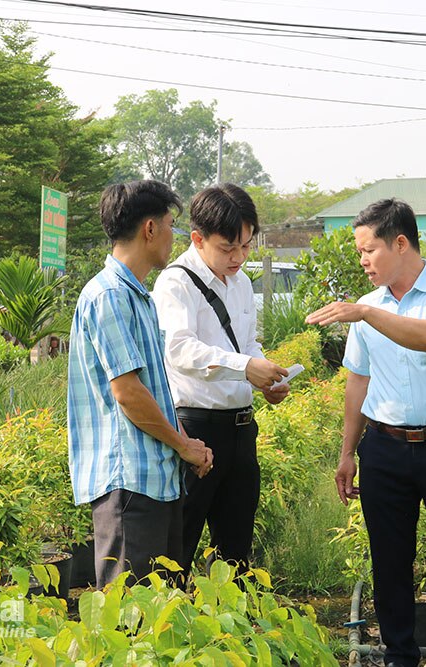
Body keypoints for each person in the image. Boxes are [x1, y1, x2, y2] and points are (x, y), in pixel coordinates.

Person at [306, 198, 426, 667]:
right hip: (384, 450)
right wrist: (348, 453)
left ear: (401, 243)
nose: (363, 261)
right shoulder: (366, 308)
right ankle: (399, 657)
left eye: (369, 250)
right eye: (360, 253)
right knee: (390, 563)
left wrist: (367, 316)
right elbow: (358, 381)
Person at [67, 179, 214, 588]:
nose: (174, 236)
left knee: (161, 620)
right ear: (150, 229)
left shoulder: (137, 297)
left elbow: (154, 390)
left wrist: (186, 443)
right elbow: (128, 394)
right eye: (171, 225)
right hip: (129, 484)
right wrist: (183, 445)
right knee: (131, 628)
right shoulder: (109, 296)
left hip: (154, 479)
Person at [152, 183, 290, 579]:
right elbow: (179, 349)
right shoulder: (176, 282)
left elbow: (247, 342)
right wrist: (245, 366)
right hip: (196, 429)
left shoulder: (241, 282)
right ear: (198, 238)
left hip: (241, 430)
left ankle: (229, 632)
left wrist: (266, 377)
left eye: (246, 246)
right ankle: (171, 628)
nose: (238, 257)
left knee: (235, 552)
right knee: (179, 545)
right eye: (228, 248)